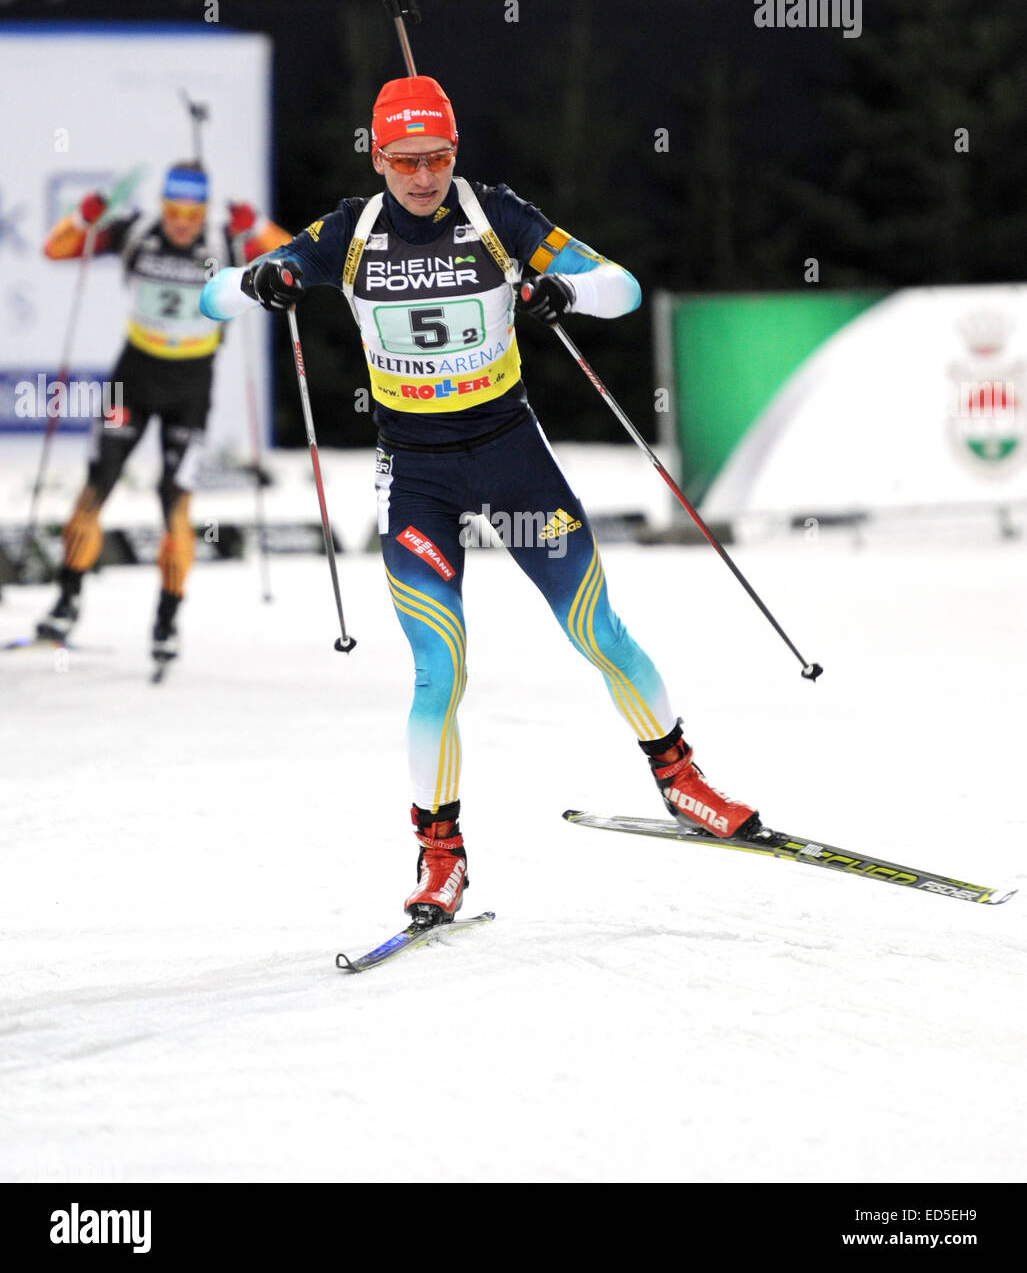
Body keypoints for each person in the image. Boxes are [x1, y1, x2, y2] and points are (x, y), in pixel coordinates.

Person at [200, 75, 761, 924]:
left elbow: (623, 286)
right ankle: (440, 854)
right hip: (417, 475)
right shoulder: (349, 231)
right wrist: (264, 279)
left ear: (453, 153)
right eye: (404, 160)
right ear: (377, 156)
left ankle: (681, 781)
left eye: (437, 158)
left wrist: (562, 289)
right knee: (438, 671)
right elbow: (216, 290)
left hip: (511, 460)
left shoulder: (496, 214)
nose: (422, 177)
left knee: (597, 629)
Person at [37, 162, 289, 664]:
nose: (180, 224)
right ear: (162, 207)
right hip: (133, 378)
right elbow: (55, 248)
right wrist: (84, 218)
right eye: (172, 211)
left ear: (204, 210)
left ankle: (167, 619)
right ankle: (66, 600)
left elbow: (292, 265)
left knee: (175, 503)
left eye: (190, 214)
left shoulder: (225, 241)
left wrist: (256, 227)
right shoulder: (137, 232)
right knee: (97, 484)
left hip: (190, 389)